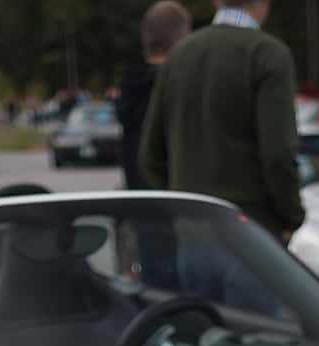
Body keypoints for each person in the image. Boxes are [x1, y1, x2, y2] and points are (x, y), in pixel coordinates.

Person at [139, 0, 304, 241]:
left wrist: (184, 201)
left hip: (191, 229)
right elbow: (278, 155)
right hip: (253, 231)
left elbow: (150, 157)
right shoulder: (267, 54)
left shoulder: (178, 56)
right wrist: (291, 216)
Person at [118, 1, 191, 189]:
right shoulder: (179, 86)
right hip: (172, 198)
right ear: (183, 38)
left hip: (138, 198)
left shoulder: (130, 86)